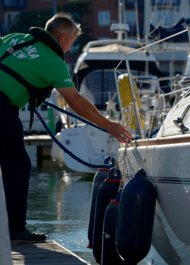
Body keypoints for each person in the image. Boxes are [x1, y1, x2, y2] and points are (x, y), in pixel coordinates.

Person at [0, 13, 132, 243]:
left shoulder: (15, 39)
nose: (70, 49)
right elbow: (77, 102)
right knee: (18, 166)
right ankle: (15, 230)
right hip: (1, 107)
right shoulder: (53, 61)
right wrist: (109, 125)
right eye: (71, 42)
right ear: (62, 39)